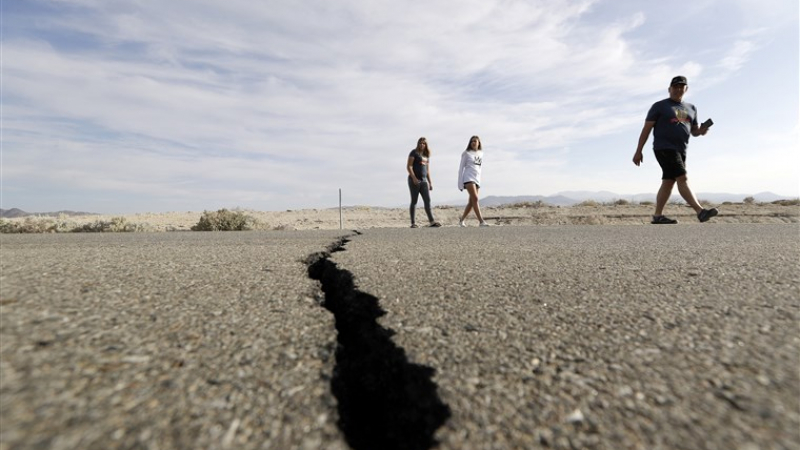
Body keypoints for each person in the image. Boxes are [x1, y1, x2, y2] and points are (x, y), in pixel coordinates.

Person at [633, 75, 719, 224]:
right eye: (675, 87)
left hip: (681, 150)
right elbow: (646, 129)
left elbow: (694, 131)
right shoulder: (659, 106)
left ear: (686, 89)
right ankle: (700, 212)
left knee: (668, 182)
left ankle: (657, 216)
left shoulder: (691, 108)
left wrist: (702, 130)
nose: (678, 89)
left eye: (681, 86)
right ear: (669, 89)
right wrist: (639, 150)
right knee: (682, 177)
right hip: (664, 147)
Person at [406, 137, 441, 228]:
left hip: (424, 181)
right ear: (418, 144)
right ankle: (413, 223)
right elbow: (409, 166)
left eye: (424, 143)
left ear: (426, 145)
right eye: (420, 143)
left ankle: (432, 221)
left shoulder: (426, 155)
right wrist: (413, 178)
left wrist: (430, 182)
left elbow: (427, 170)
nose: (422, 145)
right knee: (414, 201)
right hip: (414, 180)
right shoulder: (414, 153)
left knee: (427, 201)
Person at [457, 135, 489, 227]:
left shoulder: (481, 154)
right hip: (468, 178)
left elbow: (479, 168)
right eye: (472, 141)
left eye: (475, 141)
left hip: (477, 180)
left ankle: (461, 220)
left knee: (471, 202)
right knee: (475, 198)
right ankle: (481, 221)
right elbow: (461, 169)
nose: (474, 143)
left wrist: (479, 181)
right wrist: (460, 184)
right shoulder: (466, 153)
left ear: (479, 143)